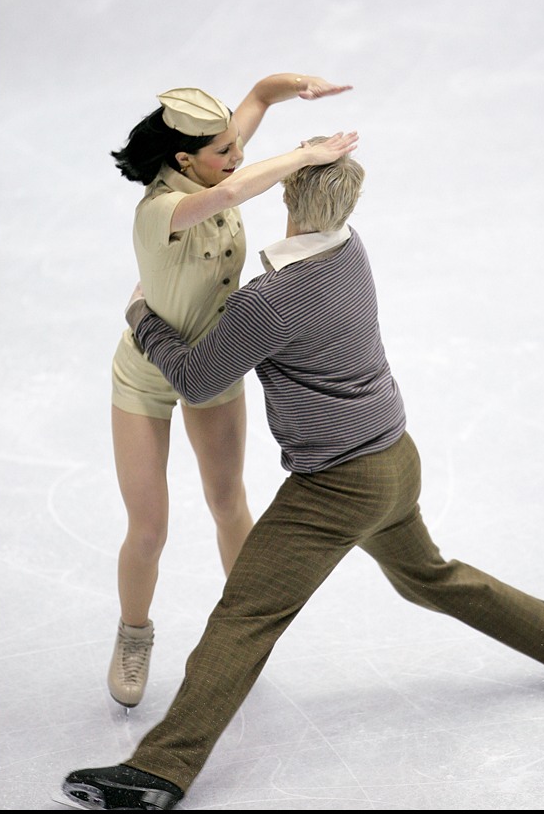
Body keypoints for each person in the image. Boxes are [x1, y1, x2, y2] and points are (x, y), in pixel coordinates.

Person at [62, 148, 544, 811]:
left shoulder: (270, 299)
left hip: (334, 488)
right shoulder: (349, 251)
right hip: (395, 459)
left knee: (245, 616)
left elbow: (197, 377)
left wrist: (143, 320)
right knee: (435, 577)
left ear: (287, 200)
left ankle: (159, 773)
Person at [105, 78, 355, 709]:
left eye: (235, 144)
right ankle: (134, 634)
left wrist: (288, 87)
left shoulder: (216, 156)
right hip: (147, 371)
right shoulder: (161, 209)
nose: (237, 153)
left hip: (213, 366)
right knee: (150, 527)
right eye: (224, 150)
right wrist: (302, 158)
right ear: (185, 161)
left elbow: (257, 103)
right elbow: (236, 189)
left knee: (228, 501)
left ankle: (243, 636)